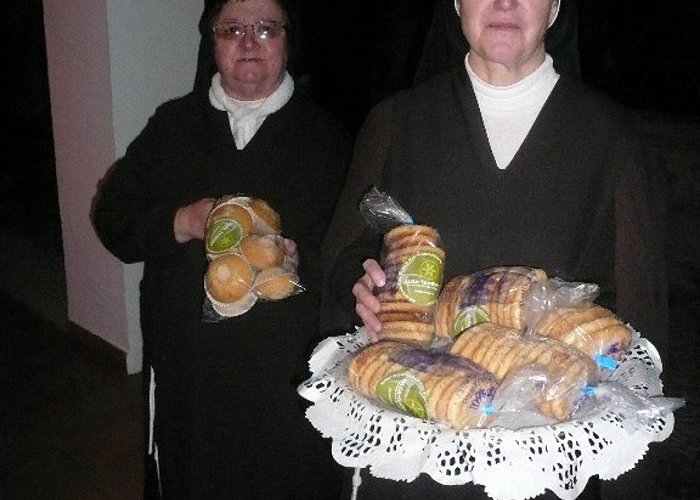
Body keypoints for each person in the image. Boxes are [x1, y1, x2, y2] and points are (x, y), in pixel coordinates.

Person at [326, 0, 668, 498]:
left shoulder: (611, 137)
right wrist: (357, 283)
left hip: (547, 461)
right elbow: (342, 256)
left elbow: (642, 315)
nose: (504, 3)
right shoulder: (399, 121)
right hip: (419, 452)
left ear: (554, 8)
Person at [92, 0, 352, 498]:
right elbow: (114, 218)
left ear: (286, 41)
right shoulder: (172, 126)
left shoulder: (329, 138)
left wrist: (300, 260)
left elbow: (351, 255)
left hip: (285, 377)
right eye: (233, 29)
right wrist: (181, 221)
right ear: (212, 42)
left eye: (265, 29)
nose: (249, 42)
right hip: (190, 376)